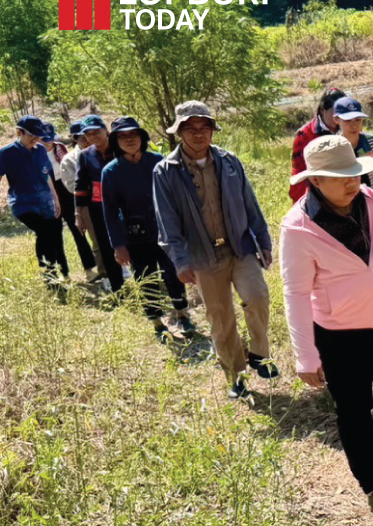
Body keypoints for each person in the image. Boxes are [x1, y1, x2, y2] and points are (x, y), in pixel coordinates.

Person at [281, 135, 373, 516]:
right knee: (354, 410)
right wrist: (305, 355)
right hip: (339, 335)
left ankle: (371, 442)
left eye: (352, 174)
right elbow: (294, 294)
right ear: (314, 181)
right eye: (336, 176)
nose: (349, 182)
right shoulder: (298, 228)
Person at [153, 101, 278, 399]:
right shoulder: (165, 171)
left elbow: (251, 205)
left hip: (239, 249)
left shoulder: (229, 161)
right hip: (203, 257)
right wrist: (180, 261)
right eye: (191, 128)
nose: (198, 134)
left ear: (212, 129)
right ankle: (236, 377)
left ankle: (260, 355)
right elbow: (166, 220)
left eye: (204, 127)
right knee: (221, 319)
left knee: (258, 296)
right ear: (180, 132)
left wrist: (263, 241)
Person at [102, 117, 196, 344]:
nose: (129, 140)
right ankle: (156, 322)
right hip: (134, 236)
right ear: (115, 141)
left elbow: (175, 196)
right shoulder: (111, 171)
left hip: (164, 231)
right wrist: (118, 245)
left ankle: (182, 314)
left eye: (133, 135)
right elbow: (110, 212)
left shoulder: (157, 161)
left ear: (141, 137)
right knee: (146, 278)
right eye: (122, 137)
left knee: (173, 272)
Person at [0, 116, 66, 283]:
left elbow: (47, 176)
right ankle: (48, 274)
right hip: (23, 203)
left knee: (49, 234)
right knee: (44, 231)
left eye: (38, 136)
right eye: (32, 136)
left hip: (45, 202)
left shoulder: (40, 151)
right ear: (19, 132)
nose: (36, 140)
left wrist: (56, 199)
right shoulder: (7, 153)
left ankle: (51, 273)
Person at [73, 116, 125, 294]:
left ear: (106, 130)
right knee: (106, 247)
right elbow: (81, 186)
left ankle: (147, 281)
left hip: (126, 204)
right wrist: (78, 213)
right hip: (99, 208)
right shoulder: (86, 155)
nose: (92, 136)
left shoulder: (121, 148)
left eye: (96, 131)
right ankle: (118, 288)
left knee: (135, 242)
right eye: (88, 133)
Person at [41, 122, 98, 281]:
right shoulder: (35, 154)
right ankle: (64, 274)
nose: (47, 142)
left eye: (50, 139)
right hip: (48, 194)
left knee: (78, 231)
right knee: (55, 235)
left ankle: (90, 269)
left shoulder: (62, 149)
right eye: (43, 139)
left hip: (67, 190)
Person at [61, 117, 107, 284]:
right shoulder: (70, 160)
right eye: (83, 137)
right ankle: (104, 273)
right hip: (87, 204)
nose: (87, 140)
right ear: (75, 139)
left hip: (108, 201)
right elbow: (72, 185)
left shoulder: (102, 152)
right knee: (97, 240)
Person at [333, 96, 373, 211]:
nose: (354, 125)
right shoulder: (332, 147)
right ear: (337, 119)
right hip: (349, 208)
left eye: (358, 119)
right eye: (348, 120)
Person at [290, 87, 347, 202]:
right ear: (322, 110)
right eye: (335, 112)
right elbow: (301, 174)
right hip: (315, 195)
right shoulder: (305, 136)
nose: (340, 116)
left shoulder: (348, 129)